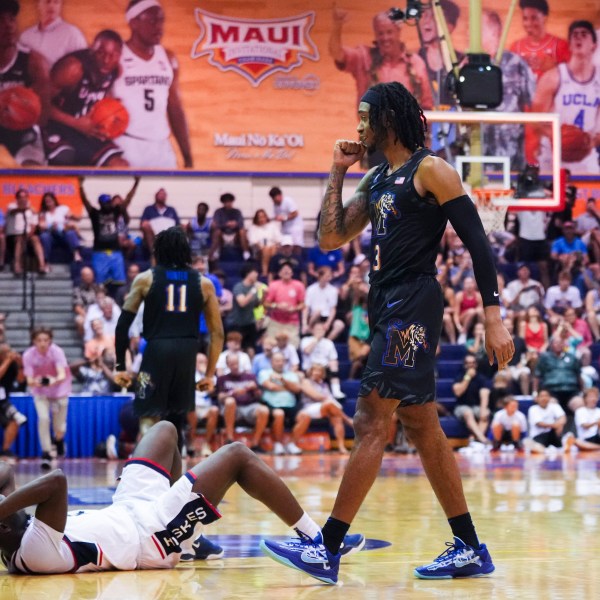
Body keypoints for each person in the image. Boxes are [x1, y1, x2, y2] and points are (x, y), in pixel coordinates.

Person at [260, 81, 513, 584]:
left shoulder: (431, 170)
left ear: (388, 120)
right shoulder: (375, 179)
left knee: (372, 416)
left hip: (413, 304)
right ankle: (468, 547)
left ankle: (326, 547)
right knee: (421, 426)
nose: (358, 127)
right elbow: (330, 237)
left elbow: (478, 244)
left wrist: (492, 313)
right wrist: (336, 171)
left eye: (364, 117)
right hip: (386, 303)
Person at [0, 420, 364, 573]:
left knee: (165, 430)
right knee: (237, 453)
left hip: (129, 508)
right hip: (150, 537)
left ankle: (193, 540)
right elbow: (56, 481)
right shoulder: (31, 554)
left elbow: (7, 472)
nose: (12, 501)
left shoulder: (14, 530)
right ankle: (318, 538)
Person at [114, 227, 225, 450]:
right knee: (176, 422)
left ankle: (147, 471)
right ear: (186, 251)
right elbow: (217, 333)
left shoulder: (146, 279)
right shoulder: (204, 283)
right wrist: (209, 374)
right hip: (186, 354)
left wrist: (120, 366)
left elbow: (123, 325)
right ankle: (174, 480)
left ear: (158, 251)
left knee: (147, 415)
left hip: (155, 351)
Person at [112, 0, 193, 168]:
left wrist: (187, 155)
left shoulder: (168, 59)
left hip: (161, 146)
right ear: (133, 23)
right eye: (152, 21)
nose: (159, 27)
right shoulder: (116, 56)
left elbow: (175, 109)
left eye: (161, 20)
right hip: (126, 143)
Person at [44, 30, 128, 167]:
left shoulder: (115, 71)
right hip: (56, 125)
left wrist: (112, 113)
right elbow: (40, 104)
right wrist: (75, 123)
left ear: (120, 55)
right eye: (101, 53)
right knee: (65, 158)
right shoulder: (73, 68)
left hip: (85, 129)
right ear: (91, 49)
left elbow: (102, 97)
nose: (106, 60)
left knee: (119, 166)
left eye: (112, 55)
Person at [328, 8, 433, 111]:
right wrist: (337, 26)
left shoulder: (416, 63)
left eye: (389, 32)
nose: (385, 38)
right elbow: (336, 53)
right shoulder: (364, 57)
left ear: (398, 31)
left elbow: (427, 105)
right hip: (372, 128)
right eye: (380, 33)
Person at [532, 20, 600, 174]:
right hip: (553, 154)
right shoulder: (554, 77)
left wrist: (590, 142)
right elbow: (535, 119)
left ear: (594, 45)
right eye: (574, 35)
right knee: (552, 197)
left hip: (585, 156)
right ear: (569, 44)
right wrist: (558, 138)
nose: (578, 38)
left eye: (584, 34)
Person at [481, 10, 536, 172]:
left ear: (494, 31)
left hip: (512, 157)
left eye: (477, 29)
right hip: (478, 156)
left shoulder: (516, 64)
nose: (470, 33)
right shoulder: (466, 67)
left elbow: (536, 104)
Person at [0, 0, 49, 167]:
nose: (9, 26)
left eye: (11, 19)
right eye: (1, 20)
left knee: (33, 166)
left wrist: (24, 108)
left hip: (20, 128)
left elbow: (43, 116)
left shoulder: (33, 62)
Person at [21, 327, 71, 468]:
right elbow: (29, 380)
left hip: (60, 390)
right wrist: (39, 382)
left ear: (50, 341)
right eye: (39, 340)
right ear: (34, 341)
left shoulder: (57, 352)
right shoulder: (28, 355)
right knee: (43, 419)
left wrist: (52, 380)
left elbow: (61, 375)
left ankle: (59, 440)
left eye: (45, 340)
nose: (42, 343)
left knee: (59, 427)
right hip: (40, 392)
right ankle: (46, 452)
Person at [292, 364, 354, 455]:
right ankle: (348, 420)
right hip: (309, 408)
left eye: (319, 371)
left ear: (322, 373)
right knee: (329, 404)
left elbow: (330, 400)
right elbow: (316, 396)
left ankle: (341, 447)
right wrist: (327, 400)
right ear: (310, 372)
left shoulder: (324, 384)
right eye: (315, 370)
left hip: (324, 408)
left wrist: (328, 400)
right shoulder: (305, 382)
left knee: (337, 418)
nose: (317, 373)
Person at [78, 177, 128, 288]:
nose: (108, 204)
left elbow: (127, 201)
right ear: (100, 203)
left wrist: (136, 183)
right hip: (99, 252)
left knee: (120, 283)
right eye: (105, 202)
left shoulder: (115, 212)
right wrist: (80, 186)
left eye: (109, 202)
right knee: (100, 284)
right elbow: (85, 201)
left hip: (115, 251)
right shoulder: (95, 214)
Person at [217, 354, 267, 453]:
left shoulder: (250, 376)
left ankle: (255, 443)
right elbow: (220, 397)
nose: (235, 366)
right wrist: (232, 393)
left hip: (249, 406)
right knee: (230, 401)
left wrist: (255, 388)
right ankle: (230, 439)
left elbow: (259, 396)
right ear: (227, 365)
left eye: (236, 363)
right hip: (233, 409)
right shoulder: (222, 379)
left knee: (264, 410)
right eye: (232, 364)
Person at [510, 0, 570, 80]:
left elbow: (574, 79)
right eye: (525, 18)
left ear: (544, 18)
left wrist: (555, 68)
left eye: (534, 18)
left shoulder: (560, 45)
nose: (529, 23)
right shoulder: (516, 47)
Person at [258, 352, 301, 456]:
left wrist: (281, 380)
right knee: (279, 414)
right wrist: (288, 387)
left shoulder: (291, 374)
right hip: (272, 405)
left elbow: (297, 389)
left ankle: (291, 444)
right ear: (272, 362)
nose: (280, 363)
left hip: (291, 405)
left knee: (305, 416)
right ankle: (278, 444)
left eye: (282, 361)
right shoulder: (264, 373)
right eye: (277, 361)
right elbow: (271, 387)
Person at [19, 0, 87, 67]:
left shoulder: (72, 34)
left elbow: (85, 66)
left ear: (60, 5)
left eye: (56, 2)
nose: (51, 6)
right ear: (38, 4)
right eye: (47, 1)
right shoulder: (26, 36)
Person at [5, 189, 47, 275]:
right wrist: (28, 208)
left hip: (28, 235)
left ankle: (42, 265)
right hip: (13, 236)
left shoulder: (31, 210)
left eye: (25, 197)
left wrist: (29, 234)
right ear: (17, 198)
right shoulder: (11, 206)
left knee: (35, 239)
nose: (23, 199)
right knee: (20, 239)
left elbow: (33, 225)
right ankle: (17, 266)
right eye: (20, 197)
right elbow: (14, 211)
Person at [452, 355, 492, 445]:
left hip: (476, 406)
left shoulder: (481, 378)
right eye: (468, 363)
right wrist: (468, 377)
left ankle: (475, 440)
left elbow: (484, 394)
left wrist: (483, 410)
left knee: (486, 413)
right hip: (461, 407)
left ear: (476, 364)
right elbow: (458, 392)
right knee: (468, 412)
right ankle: (483, 440)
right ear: (465, 365)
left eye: (473, 363)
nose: (471, 365)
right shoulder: (459, 377)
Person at [264, 261, 305, 347]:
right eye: (284, 270)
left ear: (292, 273)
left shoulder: (299, 285)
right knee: (271, 345)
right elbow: (266, 304)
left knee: (292, 347)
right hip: (275, 321)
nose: (286, 272)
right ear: (279, 273)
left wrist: (294, 309)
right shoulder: (273, 285)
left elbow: (302, 304)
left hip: (292, 322)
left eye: (288, 270)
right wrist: (277, 306)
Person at [186, 352, 218, 458]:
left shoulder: (211, 376)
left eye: (205, 362)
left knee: (214, 410)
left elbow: (210, 389)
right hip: (192, 405)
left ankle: (206, 443)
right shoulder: (188, 373)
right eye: (200, 362)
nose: (202, 364)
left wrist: (205, 374)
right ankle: (192, 440)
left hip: (206, 407)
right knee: (190, 408)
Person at [37, 191, 82, 263]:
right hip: (51, 235)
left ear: (54, 200)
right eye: (46, 201)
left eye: (50, 200)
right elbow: (41, 226)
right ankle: (46, 260)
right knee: (44, 236)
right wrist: (51, 226)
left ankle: (76, 254)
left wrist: (70, 216)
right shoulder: (43, 213)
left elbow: (76, 218)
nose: (49, 202)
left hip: (63, 234)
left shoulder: (63, 208)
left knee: (70, 232)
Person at [0, 343, 27, 458]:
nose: (7, 355)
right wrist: (7, 361)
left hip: (3, 400)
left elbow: (21, 380)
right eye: (3, 353)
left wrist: (20, 364)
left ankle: (5, 450)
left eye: (8, 352)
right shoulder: (7, 362)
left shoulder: (12, 364)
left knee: (14, 421)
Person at [228, 264, 261, 353]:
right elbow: (242, 303)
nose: (257, 274)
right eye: (255, 272)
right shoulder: (239, 287)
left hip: (250, 323)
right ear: (248, 274)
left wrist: (264, 294)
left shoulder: (254, 288)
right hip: (238, 324)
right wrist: (254, 290)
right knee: (237, 349)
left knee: (251, 349)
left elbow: (257, 305)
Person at [208, 193, 250, 261]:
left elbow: (241, 223)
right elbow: (216, 224)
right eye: (226, 201)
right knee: (217, 231)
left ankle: (246, 252)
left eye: (229, 201)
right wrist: (226, 224)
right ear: (223, 202)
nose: (228, 203)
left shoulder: (237, 211)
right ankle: (216, 251)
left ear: (232, 201)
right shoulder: (218, 212)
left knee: (242, 231)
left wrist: (235, 224)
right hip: (223, 234)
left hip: (235, 235)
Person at [524, 388, 567, 453]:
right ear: (537, 398)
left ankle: (559, 446)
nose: (544, 398)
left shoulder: (555, 406)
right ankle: (545, 448)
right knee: (536, 444)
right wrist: (555, 425)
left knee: (560, 427)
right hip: (538, 436)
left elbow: (563, 418)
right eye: (542, 396)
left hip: (552, 435)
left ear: (550, 397)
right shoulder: (533, 409)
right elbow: (539, 423)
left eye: (546, 396)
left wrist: (558, 425)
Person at [139, 188, 180, 253]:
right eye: (160, 194)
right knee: (145, 225)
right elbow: (142, 224)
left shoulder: (171, 210)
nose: (162, 196)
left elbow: (178, 225)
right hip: (153, 237)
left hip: (169, 236)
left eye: (163, 194)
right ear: (156, 196)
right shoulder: (148, 209)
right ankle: (153, 254)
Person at [269, 187, 304, 254]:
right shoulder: (275, 205)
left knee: (296, 245)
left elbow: (295, 213)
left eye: (274, 198)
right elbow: (276, 216)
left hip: (295, 227)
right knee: (284, 246)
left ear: (279, 195)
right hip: (285, 229)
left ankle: (297, 261)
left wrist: (284, 218)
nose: (273, 200)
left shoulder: (288, 200)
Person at [247, 208, 281, 277]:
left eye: (263, 217)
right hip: (258, 250)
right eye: (259, 217)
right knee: (266, 250)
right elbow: (253, 241)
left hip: (272, 248)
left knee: (273, 248)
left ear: (266, 217)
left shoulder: (272, 226)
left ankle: (272, 272)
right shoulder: (253, 228)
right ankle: (265, 272)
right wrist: (262, 247)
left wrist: (274, 246)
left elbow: (279, 239)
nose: (262, 219)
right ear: (256, 218)